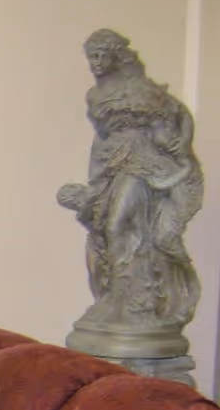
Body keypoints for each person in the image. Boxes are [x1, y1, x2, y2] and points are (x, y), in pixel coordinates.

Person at [56, 29, 204, 340]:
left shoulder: (141, 88)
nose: (94, 63)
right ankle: (118, 298)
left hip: (142, 163)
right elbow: (101, 138)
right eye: (90, 57)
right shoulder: (94, 96)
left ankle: (133, 301)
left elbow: (179, 114)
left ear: (115, 55)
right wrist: (96, 179)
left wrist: (182, 142)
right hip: (112, 164)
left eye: (100, 55)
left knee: (119, 224)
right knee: (106, 229)